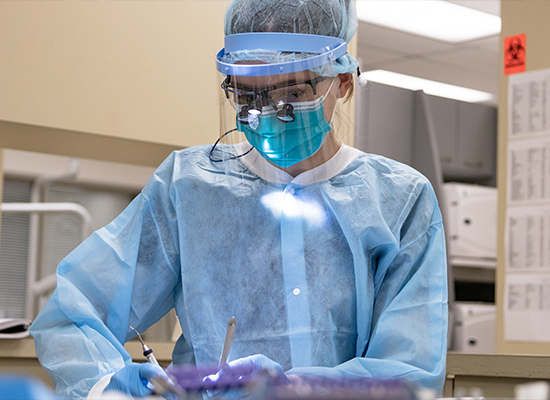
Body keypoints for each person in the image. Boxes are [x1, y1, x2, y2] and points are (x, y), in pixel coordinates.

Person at [30, 0, 448, 398]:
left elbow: (407, 373)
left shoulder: (399, 200)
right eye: (247, 98)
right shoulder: (189, 187)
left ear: (342, 82)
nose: (266, 116)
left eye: (292, 96)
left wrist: (294, 390)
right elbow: (73, 312)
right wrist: (109, 385)